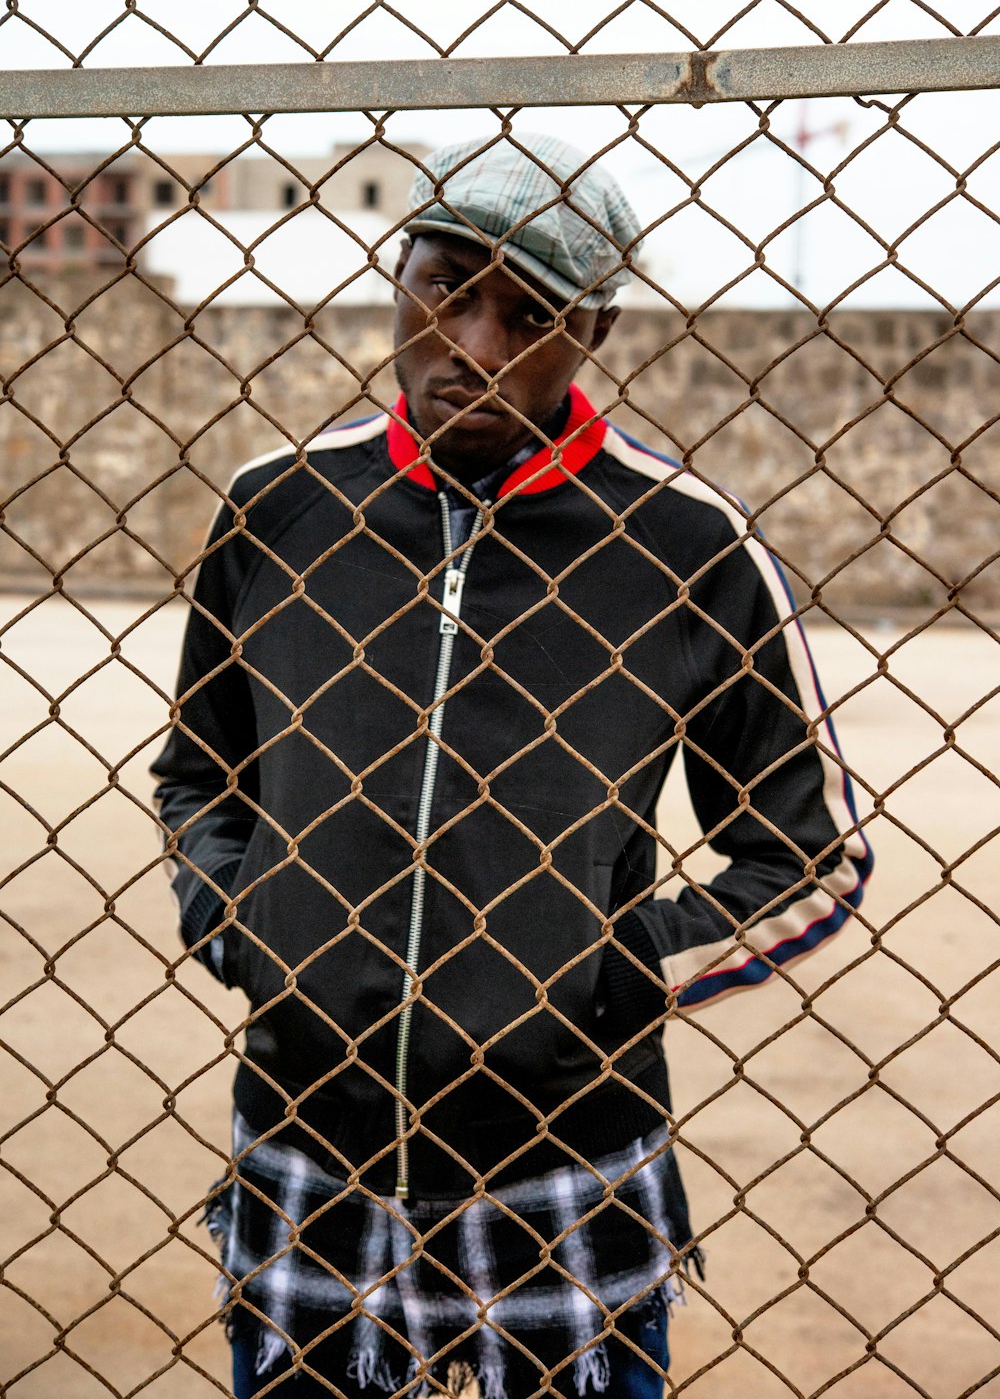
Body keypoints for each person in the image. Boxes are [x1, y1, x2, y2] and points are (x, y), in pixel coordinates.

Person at [151, 134, 872, 1398]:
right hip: (305, 1140)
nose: (472, 346)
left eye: (528, 313)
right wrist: (236, 909)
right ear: (398, 278)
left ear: (592, 328)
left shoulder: (686, 547)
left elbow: (807, 859)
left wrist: (608, 970)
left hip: (561, 1161)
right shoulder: (281, 507)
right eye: (444, 287)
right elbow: (200, 775)